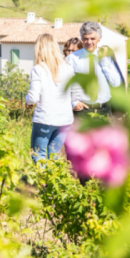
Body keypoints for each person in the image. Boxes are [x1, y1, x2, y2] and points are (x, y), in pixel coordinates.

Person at [26, 34, 81, 162]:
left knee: (39, 155)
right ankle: (53, 181)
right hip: (64, 120)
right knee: (54, 157)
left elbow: (33, 97)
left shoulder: (38, 69)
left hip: (45, 118)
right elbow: (76, 93)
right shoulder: (68, 68)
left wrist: (26, 99)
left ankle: (42, 182)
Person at [66, 22, 125, 116]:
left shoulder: (106, 56)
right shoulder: (72, 59)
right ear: (81, 38)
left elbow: (116, 83)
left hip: (104, 110)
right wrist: (73, 103)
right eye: (85, 38)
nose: (89, 42)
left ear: (99, 38)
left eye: (92, 39)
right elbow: (63, 84)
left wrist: (104, 61)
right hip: (81, 112)